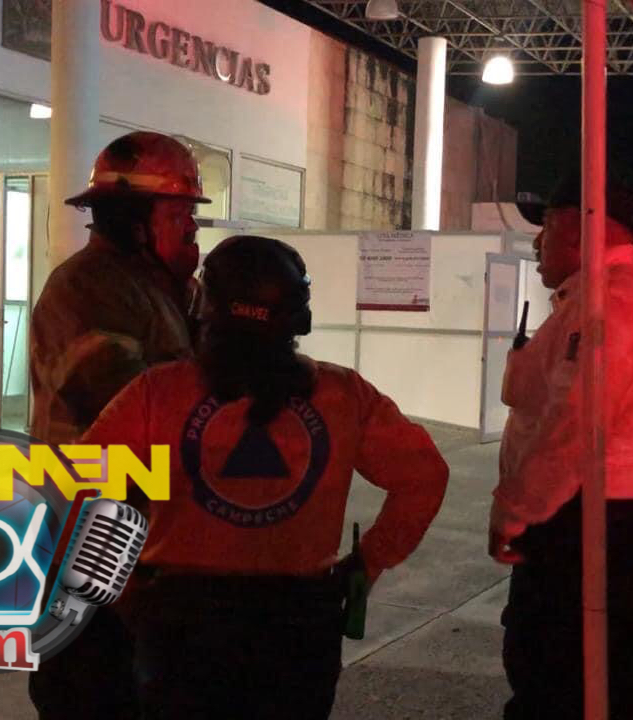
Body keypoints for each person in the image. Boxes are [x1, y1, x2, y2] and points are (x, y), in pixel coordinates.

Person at [81, 235, 449, 720]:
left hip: (181, 621)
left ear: (206, 310)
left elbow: (80, 488)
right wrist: (367, 563)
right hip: (299, 626)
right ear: (298, 317)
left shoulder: (157, 392)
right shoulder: (344, 396)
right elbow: (424, 477)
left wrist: (121, 585)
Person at [492, 176, 633, 720]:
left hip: (586, 532)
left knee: (552, 689)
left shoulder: (604, 303)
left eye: (547, 226)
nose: (538, 242)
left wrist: (514, 512)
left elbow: (573, 427)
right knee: (616, 688)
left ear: (577, 228)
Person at [27, 131, 209, 720]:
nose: (192, 230)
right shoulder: (84, 288)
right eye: (180, 216)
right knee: (89, 689)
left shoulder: (164, 287)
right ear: (135, 221)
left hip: (145, 528)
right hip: (88, 532)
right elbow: (127, 400)